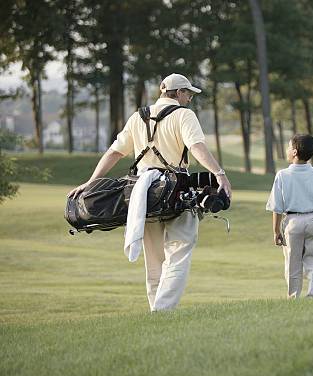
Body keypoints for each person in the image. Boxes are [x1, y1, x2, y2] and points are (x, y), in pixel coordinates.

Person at [67, 73, 231, 312]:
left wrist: (91, 181)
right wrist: (219, 173)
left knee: (153, 260)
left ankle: (157, 308)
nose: (190, 99)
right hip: (176, 190)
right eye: (188, 94)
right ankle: (162, 310)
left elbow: (114, 152)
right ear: (179, 93)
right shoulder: (184, 115)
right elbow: (196, 147)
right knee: (180, 250)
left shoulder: (138, 117)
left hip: (144, 194)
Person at [266, 134, 313, 298]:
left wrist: (276, 232)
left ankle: (293, 296)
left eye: (289, 147)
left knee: (292, 262)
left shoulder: (282, 175)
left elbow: (277, 207)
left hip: (292, 222)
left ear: (294, 152)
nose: (287, 150)